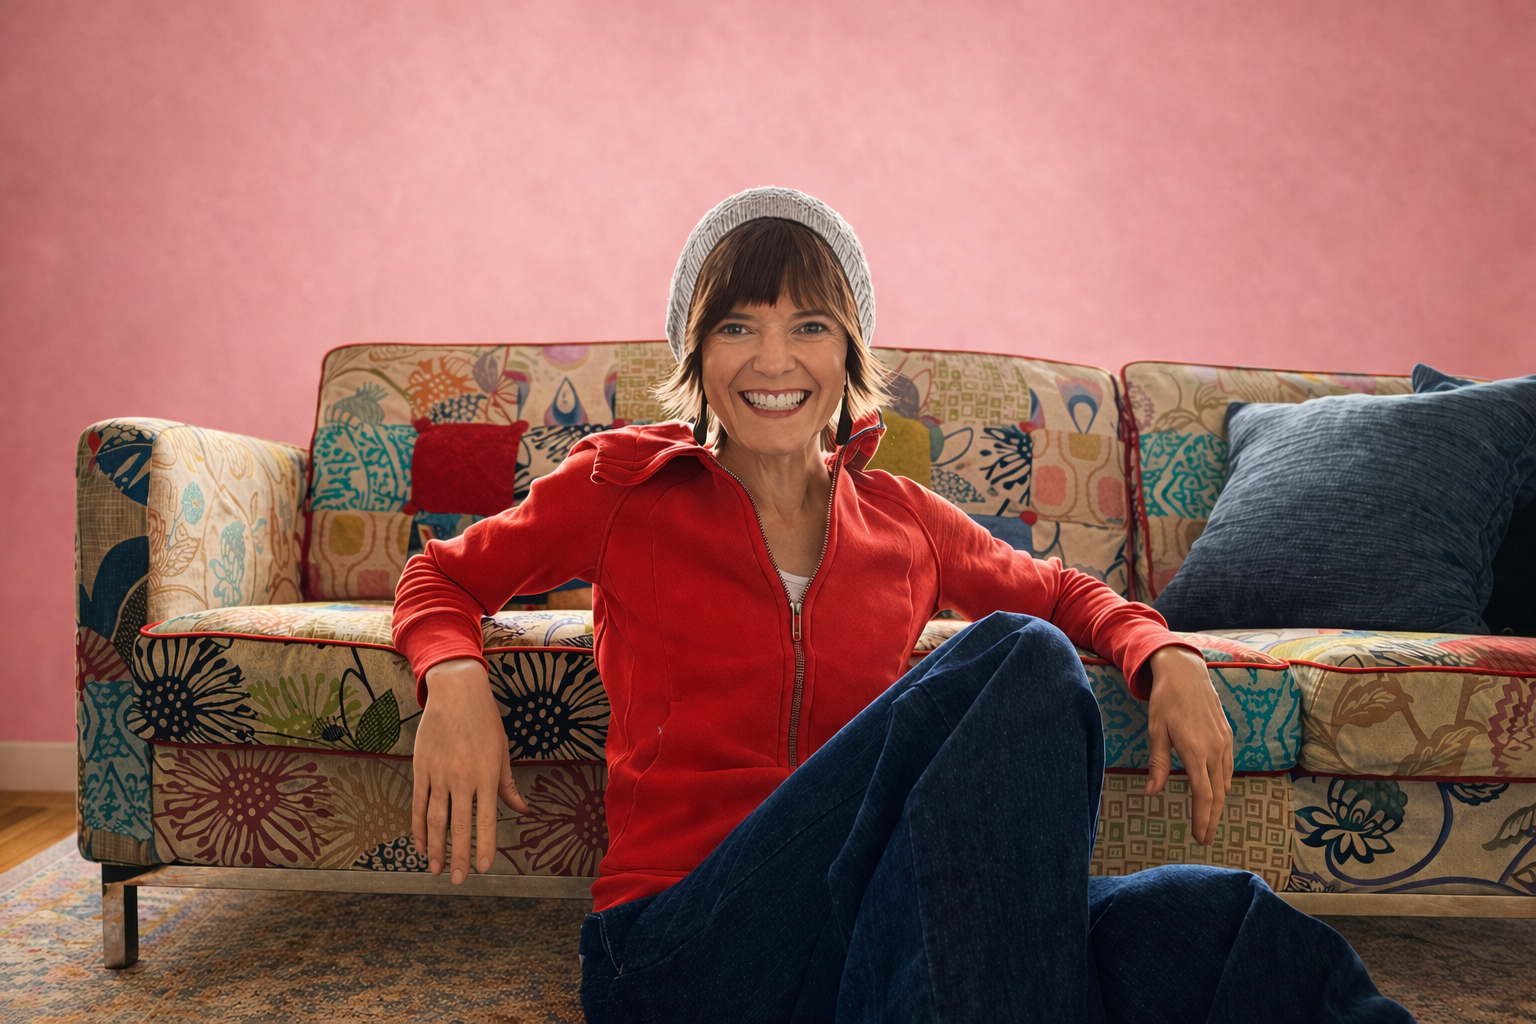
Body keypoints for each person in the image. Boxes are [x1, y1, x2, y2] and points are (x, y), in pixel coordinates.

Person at [392, 188, 1412, 1023]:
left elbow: (1064, 590)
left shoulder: (904, 519)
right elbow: (441, 576)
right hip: (686, 945)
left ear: (849, 354)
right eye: (738, 327)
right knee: (1017, 658)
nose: (774, 360)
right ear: (696, 354)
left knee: (1214, 921)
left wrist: (1163, 652)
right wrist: (457, 681)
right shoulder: (624, 486)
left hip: (864, 930)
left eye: (810, 327)